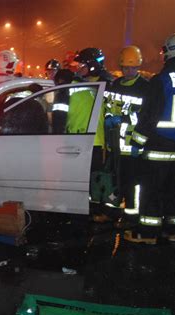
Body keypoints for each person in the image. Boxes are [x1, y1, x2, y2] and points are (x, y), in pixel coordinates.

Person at [125, 32, 175, 244]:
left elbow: (149, 116)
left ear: (169, 52)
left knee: (152, 190)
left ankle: (148, 234)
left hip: (159, 146)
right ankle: (173, 231)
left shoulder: (160, 81)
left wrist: (136, 142)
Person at [104, 45, 150, 228]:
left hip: (133, 146)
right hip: (115, 144)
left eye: (132, 68)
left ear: (138, 67)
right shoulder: (115, 85)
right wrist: (109, 118)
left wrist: (123, 118)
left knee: (133, 183)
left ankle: (132, 216)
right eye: (125, 67)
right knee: (114, 180)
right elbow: (107, 108)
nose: (128, 71)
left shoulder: (145, 88)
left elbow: (146, 117)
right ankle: (111, 213)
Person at [73, 48, 115, 222]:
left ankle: (99, 209)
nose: (78, 68)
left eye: (81, 64)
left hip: (97, 140)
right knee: (77, 177)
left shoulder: (108, 84)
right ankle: (82, 208)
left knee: (97, 178)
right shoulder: (76, 82)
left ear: (92, 65)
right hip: (75, 138)